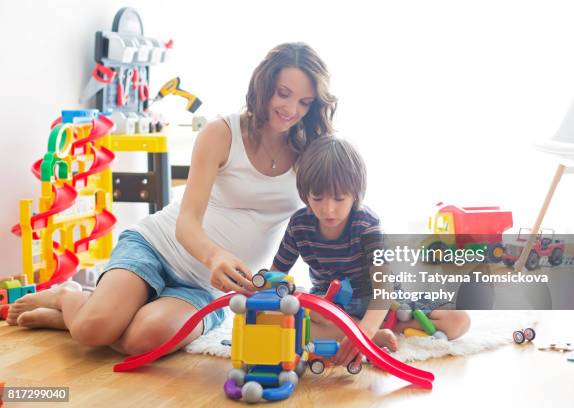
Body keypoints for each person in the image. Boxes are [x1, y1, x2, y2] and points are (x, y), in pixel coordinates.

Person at [7, 42, 338, 356]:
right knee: (94, 330)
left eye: (305, 102)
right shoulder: (222, 133)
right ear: (265, 86)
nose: (291, 109)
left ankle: (84, 316)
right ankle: (70, 298)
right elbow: (187, 221)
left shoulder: (311, 151)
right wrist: (214, 257)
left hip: (207, 288)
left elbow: (336, 214)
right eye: (284, 94)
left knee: (141, 339)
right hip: (157, 247)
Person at [271, 137, 470, 367]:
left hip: (381, 304)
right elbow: (276, 275)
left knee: (459, 321)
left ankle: (371, 329)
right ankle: (371, 334)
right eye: (317, 198)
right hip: (332, 307)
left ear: (355, 194)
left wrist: (364, 331)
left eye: (339, 198)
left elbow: (383, 291)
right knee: (284, 319)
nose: (328, 209)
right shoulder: (299, 224)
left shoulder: (367, 224)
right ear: (305, 194)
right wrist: (255, 288)